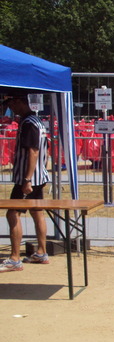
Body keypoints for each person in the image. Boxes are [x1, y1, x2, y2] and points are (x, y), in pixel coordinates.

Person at [0, 92, 51, 272]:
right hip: (38, 176)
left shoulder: (29, 123)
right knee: (37, 212)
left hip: (28, 178)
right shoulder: (37, 121)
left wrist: (27, 180)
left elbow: (33, 151)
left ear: (20, 102)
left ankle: (15, 259)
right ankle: (41, 252)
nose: (11, 108)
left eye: (11, 103)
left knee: (12, 213)